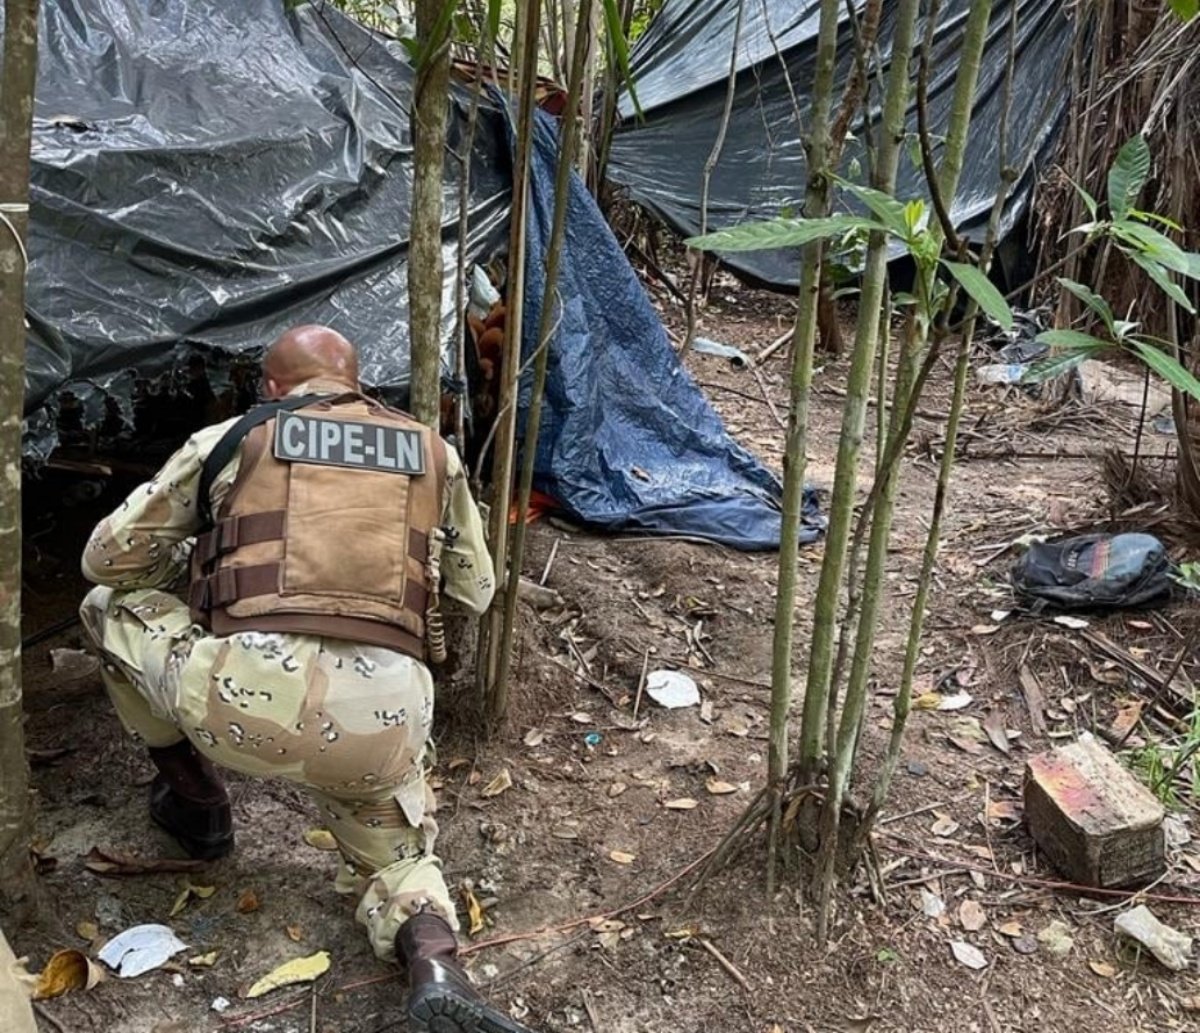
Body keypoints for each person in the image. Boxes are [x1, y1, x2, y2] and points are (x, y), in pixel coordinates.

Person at [80, 326, 533, 1033]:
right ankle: (438, 963)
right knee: (398, 854)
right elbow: (477, 589)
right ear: (358, 382)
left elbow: (105, 560)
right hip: (379, 723)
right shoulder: (430, 451)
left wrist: (194, 579)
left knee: (107, 608)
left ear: (271, 387)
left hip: (240, 703)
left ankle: (196, 801)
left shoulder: (230, 440)